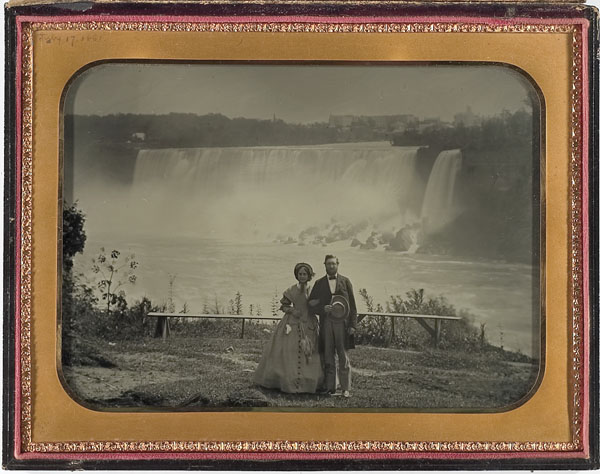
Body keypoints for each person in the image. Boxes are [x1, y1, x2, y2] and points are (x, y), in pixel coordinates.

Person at [254, 263, 323, 393]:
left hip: (309, 323)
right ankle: (287, 379)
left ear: (309, 275)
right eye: (300, 274)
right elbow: (284, 306)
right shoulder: (291, 290)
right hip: (292, 323)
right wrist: (291, 310)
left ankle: (310, 381)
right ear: (296, 275)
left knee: (310, 351)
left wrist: (314, 308)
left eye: (305, 274)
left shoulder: (314, 290)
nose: (302, 276)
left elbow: (319, 306)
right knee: (288, 351)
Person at [308, 255, 357, 398]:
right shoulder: (319, 283)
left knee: (343, 355)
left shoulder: (346, 281)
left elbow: (353, 305)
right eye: (328, 264)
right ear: (324, 265)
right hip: (326, 323)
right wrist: (323, 308)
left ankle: (345, 388)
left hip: (343, 323)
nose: (331, 266)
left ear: (338, 264)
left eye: (333, 264)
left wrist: (353, 325)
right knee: (328, 355)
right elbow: (311, 305)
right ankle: (330, 387)